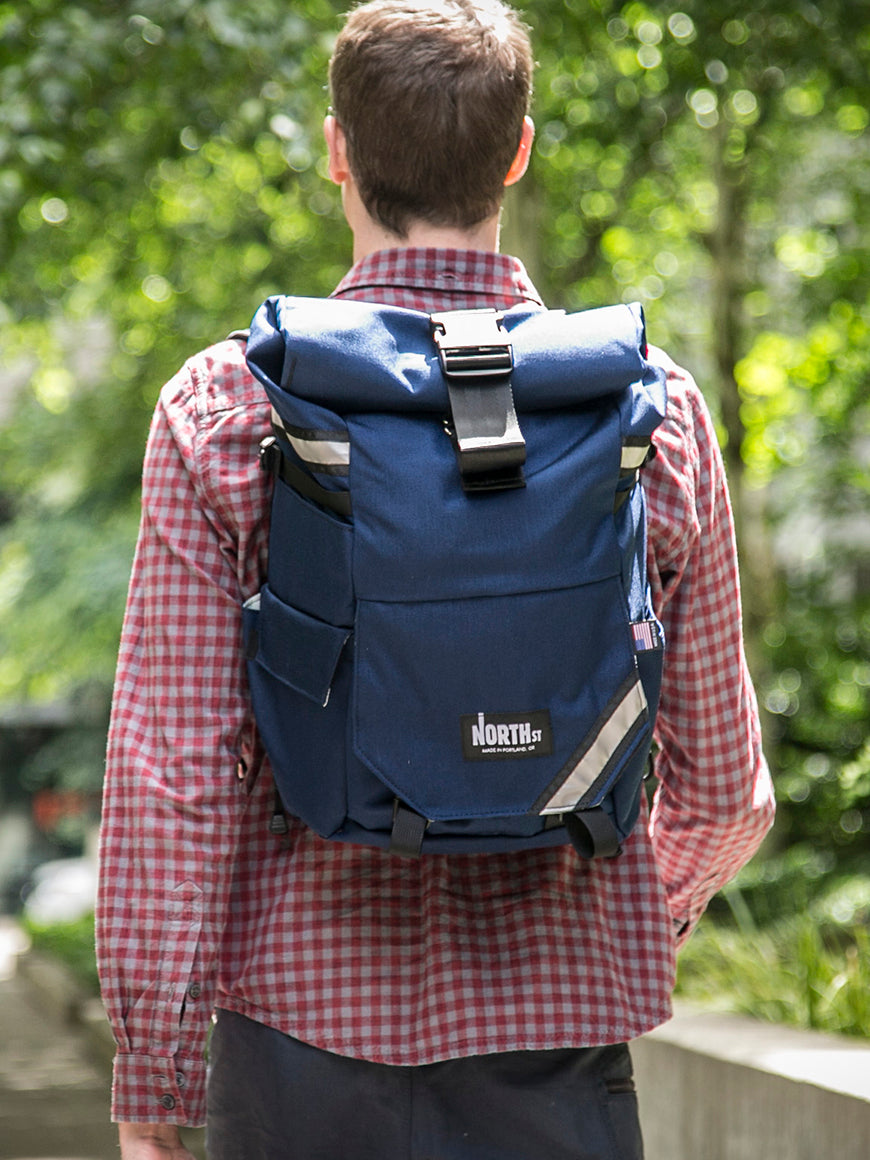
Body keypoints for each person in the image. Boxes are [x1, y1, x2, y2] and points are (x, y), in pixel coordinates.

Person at [96, 2, 775, 1158]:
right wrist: (612, 915)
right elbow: (724, 790)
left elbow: (176, 781)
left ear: (336, 152)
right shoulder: (648, 411)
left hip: (298, 1052)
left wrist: (155, 1075)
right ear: (518, 150)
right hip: (558, 1052)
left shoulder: (226, 409)